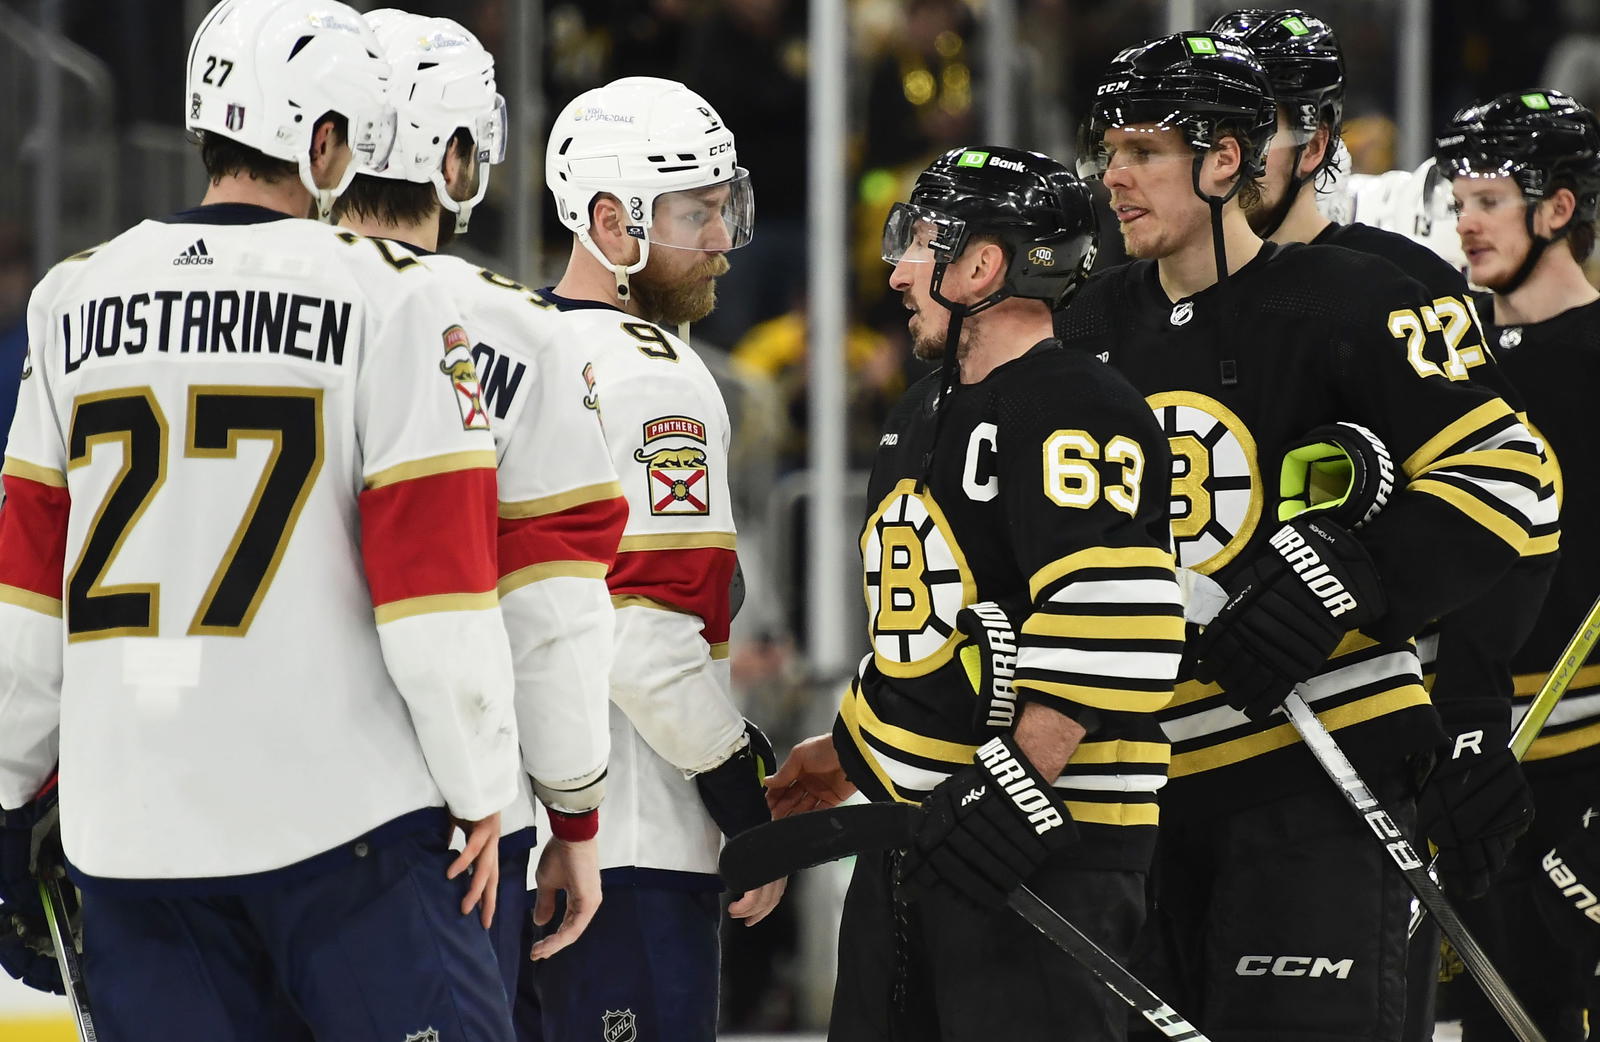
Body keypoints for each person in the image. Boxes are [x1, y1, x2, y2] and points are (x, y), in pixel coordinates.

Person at [0, 1, 524, 1037]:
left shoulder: (69, 298)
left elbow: (23, 596)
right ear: (324, 141)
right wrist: (480, 783)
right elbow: (437, 599)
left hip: (131, 838)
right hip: (341, 830)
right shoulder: (394, 299)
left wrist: (10, 791)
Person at [1059, 31, 1548, 1041]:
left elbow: (1512, 479)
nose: (1114, 175)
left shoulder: (1363, 298)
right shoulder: (1081, 332)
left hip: (1315, 785)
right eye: (1108, 147)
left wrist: (1346, 583)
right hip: (1128, 803)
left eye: (1145, 149)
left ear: (1224, 158)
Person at [769, 144, 1184, 1041]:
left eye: (920, 242)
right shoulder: (920, 413)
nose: (896, 269)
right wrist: (847, 752)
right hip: (915, 847)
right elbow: (932, 635)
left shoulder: (1080, 404)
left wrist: (1010, 794)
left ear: (983, 265)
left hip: (1042, 851)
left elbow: (1114, 622)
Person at [1208, 13, 1556, 1036]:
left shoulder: (1396, 288)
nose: (1220, 155)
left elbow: (1505, 511)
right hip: (1179, 767)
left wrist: (1472, 715)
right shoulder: (1150, 296)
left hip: (1346, 754)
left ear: (1313, 139)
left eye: (1250, 126)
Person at [332, 9, 627, 998]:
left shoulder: (222, 314)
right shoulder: (524, 333)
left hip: (212, 798)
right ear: (459, 158)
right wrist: (575, 816)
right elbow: (553, 616)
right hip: (446, 821)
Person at [521, 76, 784, 1042]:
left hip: (511, 839)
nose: (721, 237)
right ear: (609, 220)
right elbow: (643, 632)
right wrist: (742, 802)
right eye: (695, 212)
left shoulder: (507, 343)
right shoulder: (650, 372)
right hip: (627, 843)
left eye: (726, 206)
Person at [1432, 88, 1600, 1042]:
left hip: (1583, 758)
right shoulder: (1445, 363)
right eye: (1459, 201)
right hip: (1467, 751)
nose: (1467, 223)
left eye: (1489, 199)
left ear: (1558, 208)